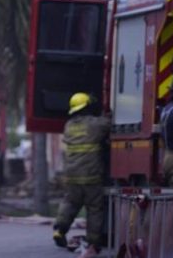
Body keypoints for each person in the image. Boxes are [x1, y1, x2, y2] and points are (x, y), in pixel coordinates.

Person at [53, 92, 110, 258]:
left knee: (70, 202)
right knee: (94, 208)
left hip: (71, 175)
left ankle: (59, 230)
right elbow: (109, 124)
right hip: (91, 176)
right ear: (87, 107)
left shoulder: (68, 126)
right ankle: (93, 242)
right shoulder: (95, 124)